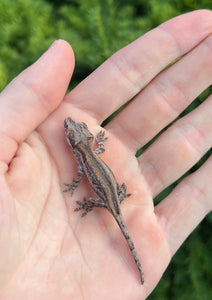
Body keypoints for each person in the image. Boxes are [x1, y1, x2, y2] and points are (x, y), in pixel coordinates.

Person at [0, 9, 211, 300]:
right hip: (114, 193)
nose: (69, 128)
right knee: (110, 202)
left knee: (100, 205)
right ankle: (124, 235)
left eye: (73, 130)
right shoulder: (90, 153)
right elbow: (91, 157)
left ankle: (121, 240)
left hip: (109, 198)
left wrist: (83, 198)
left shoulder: (83, 160)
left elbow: (78, 177)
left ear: (77, 143)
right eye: (73, 130)